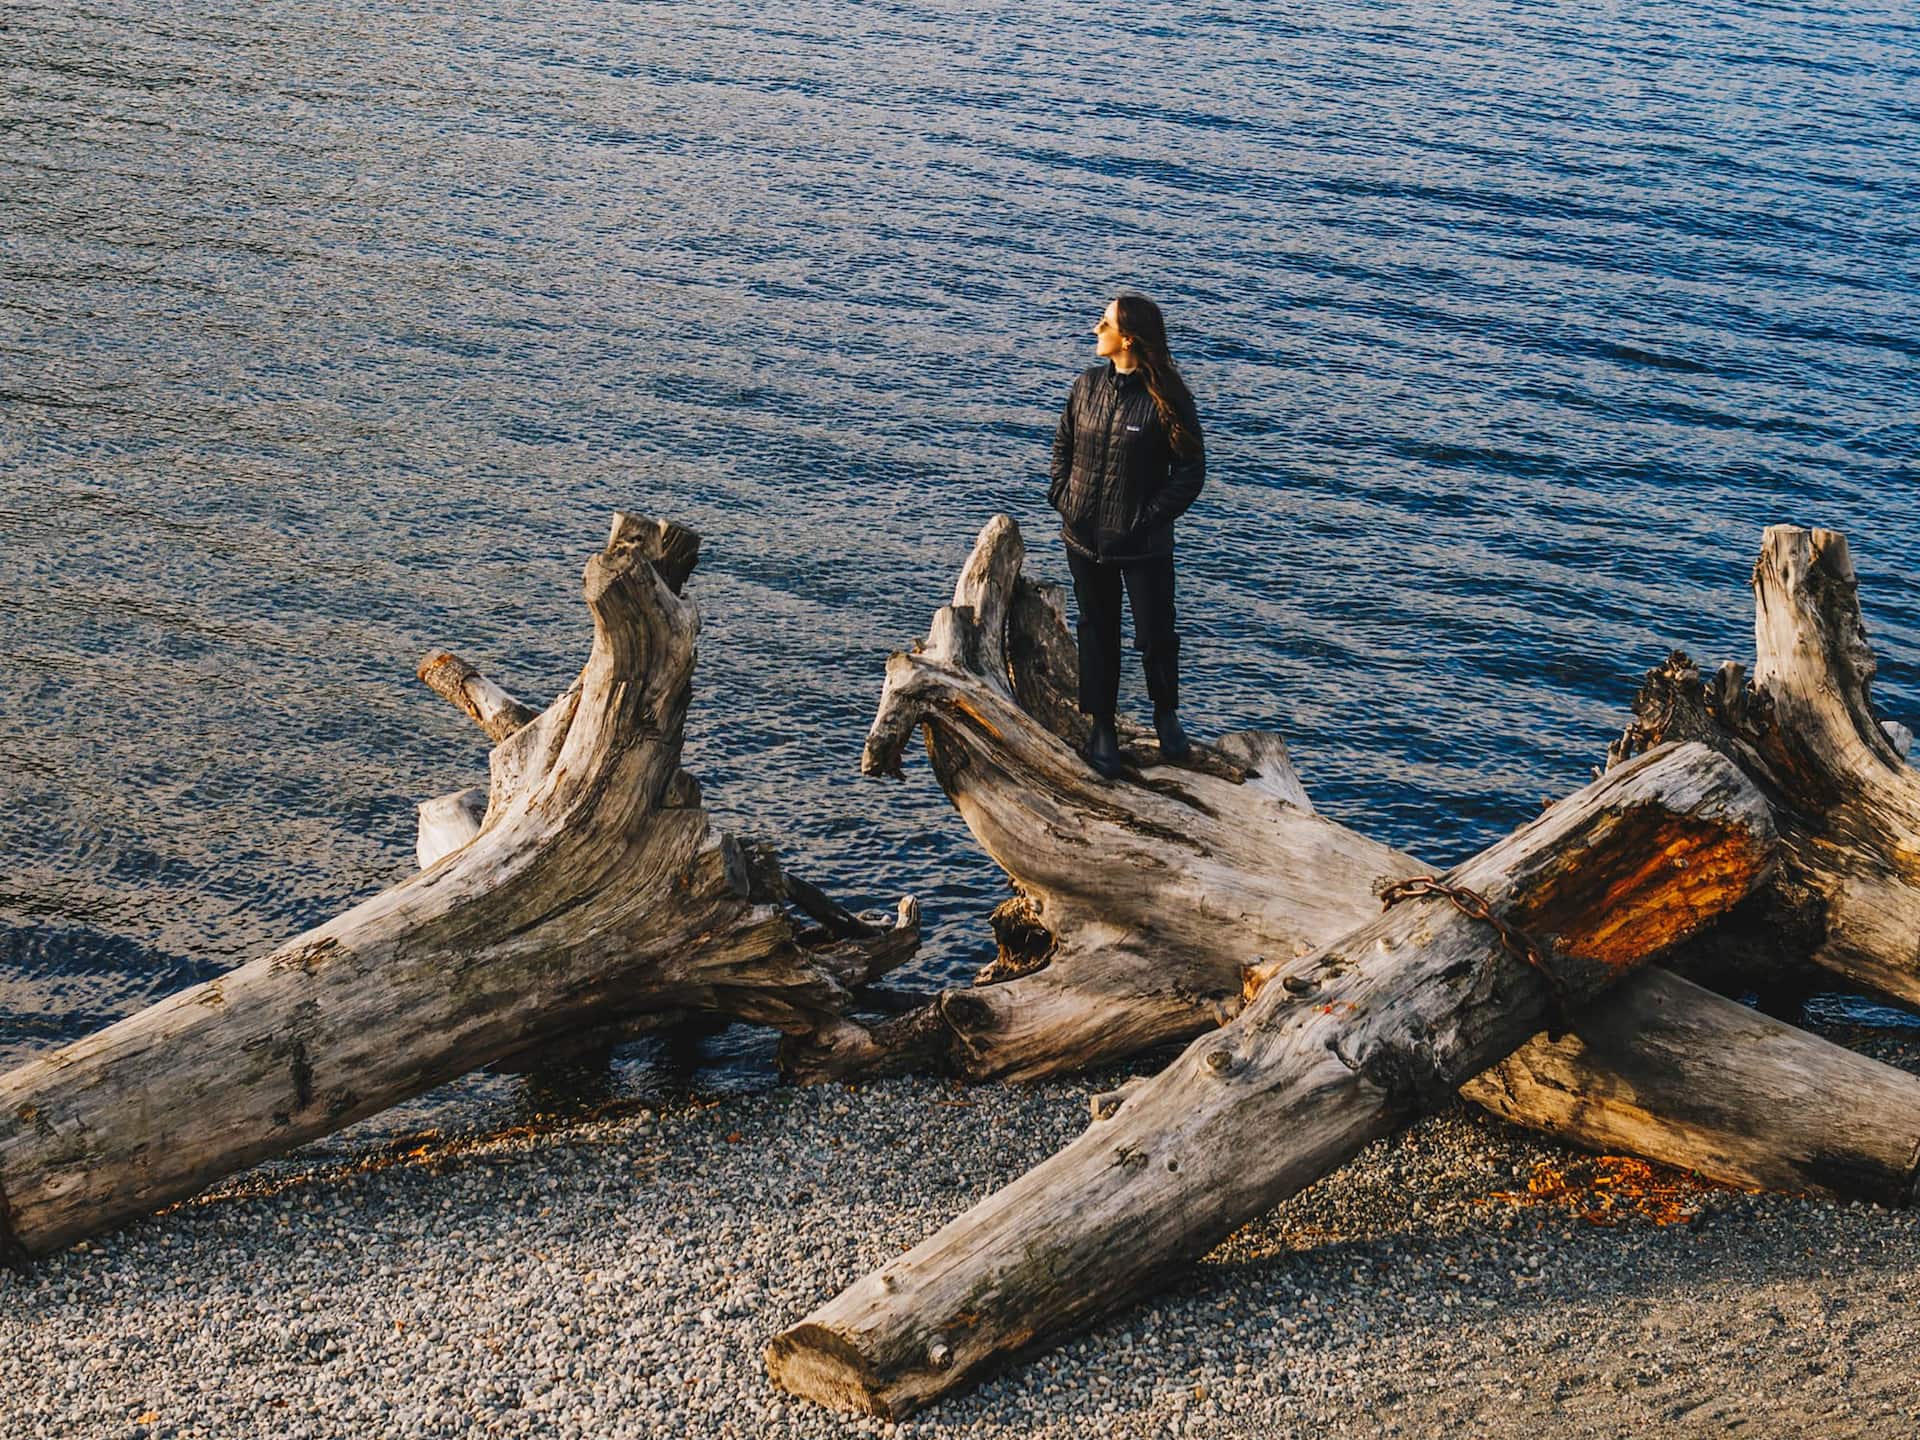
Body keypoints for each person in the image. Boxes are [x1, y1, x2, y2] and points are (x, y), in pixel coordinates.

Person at [1047, 293, 1205, 779]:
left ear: (1128, 338)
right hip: (1084, 542)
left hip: (1142, 547)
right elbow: (1062, 450)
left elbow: (1191, 471)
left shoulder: (1168, 396)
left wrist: (1147, 517)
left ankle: (1166, 716)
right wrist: (1064, 499)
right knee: (1098, 635)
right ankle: (1102, 730)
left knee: (1155, 633)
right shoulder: (1086, 386)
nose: (1096, 329)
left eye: (1104, 323)